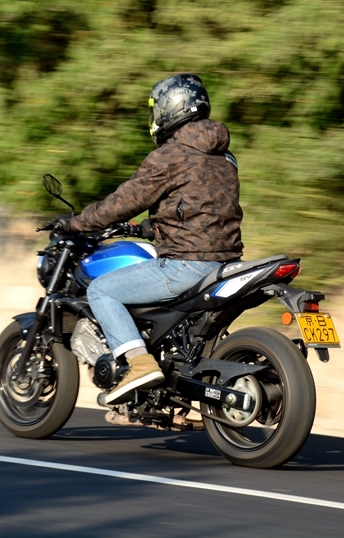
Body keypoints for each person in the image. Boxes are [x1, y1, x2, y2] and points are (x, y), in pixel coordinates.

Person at [51, 73, 244, 405]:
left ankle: (140, 364)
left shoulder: (172, 155)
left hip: (187, 264)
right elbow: (201, 208)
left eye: (156, 109)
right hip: (225, 262)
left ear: (171, 108)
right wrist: (149, 227)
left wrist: (77, 223)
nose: (153, 117)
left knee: (102, 289)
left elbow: (123, 202)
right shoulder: (224, 156)